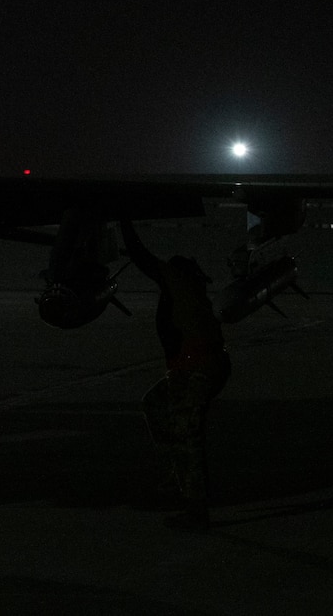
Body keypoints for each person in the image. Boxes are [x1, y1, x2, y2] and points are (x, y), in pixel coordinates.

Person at [119, 219, 229, 531]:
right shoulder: (190, 287)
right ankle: (178, 476)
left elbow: (141, 257)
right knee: (155, 404)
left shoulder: (176, 279)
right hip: (197, 366)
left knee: (187, 436)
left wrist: (123, 225)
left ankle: (196, 509)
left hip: (199, 368)